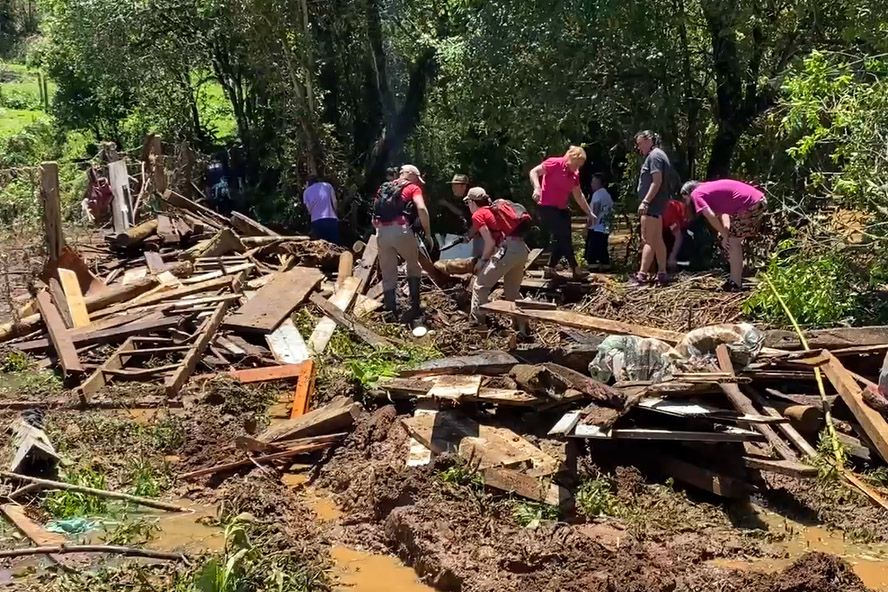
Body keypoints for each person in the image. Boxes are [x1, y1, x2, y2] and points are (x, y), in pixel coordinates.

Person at [680, 179, 767, 292]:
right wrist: (725, 232)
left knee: (733, 242)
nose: (686, 202)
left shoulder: (696, 194)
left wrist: (724, 234)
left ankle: (736, 284)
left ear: (689, 192)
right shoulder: (708, 189)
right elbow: (723, 212)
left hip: (750, 205)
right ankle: (733, 280)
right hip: (757, 201)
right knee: (731, 241)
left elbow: (710, 215)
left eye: (685, 198)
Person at [464, 187, 531, 332]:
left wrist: (482, 262)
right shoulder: (495, 211)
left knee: (480, 285)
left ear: (471, 202)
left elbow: (490, 243)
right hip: (521, 249)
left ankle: (477, 326)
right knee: (512, 291)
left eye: (468, 203)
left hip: (508, 250)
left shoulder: (478, 214)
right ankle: (522, 326)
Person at [373, 164, 432, 320]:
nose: (418, 183)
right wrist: (428, 233)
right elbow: (422, 209)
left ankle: (390, 311)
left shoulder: (383, 188)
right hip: (401, 229)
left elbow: (375, 214)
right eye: (417, 179)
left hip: (381, 232)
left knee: (388, 273)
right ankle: (415, 306)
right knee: (413, 266)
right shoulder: (412, 188)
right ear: (411, 175)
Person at [529, 146, 595, 280]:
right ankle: (575, 268)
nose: (577, 168)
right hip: (547, 207)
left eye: (580, 166)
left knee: (563, 238)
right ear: (570, 159)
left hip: (561, 208)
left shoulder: (574, 174)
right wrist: (537, 188)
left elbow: (578, 195)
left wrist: (589, 212)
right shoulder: (554, 163)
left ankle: (550, 268)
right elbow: (534, 172)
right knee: (562, 236)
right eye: (576, 164)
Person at [631, 130, 673, 286]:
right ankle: (662, 273)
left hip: (653, 204)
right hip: (658, 204)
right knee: (657, 239)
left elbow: (657, 181)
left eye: (640, 144)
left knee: (648, 240)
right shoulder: (659, 155)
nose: (639, 147)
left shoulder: (654, 156)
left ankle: (641, 275)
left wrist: (646, 201)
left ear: (649, 140)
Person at [584, 173, 613, 270]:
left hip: (596, 227)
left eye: (594, 182)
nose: (592, 184)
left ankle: (593, 269)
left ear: (600, 183)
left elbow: (595, 212)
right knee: (603, 250)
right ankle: (605, 267)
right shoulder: (607, 195)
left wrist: (588, 225)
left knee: (591, 253)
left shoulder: (597, 194)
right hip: (605, 227)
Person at [303, 175, 340, 244]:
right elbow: (334, 201)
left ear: (308, 183)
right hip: (331, 218)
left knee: (322, 246)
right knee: (335, 245)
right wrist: (336, 214)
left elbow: (309, 210)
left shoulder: (306, 192)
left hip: (317, 221)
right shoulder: (327, 186)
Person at [661, 198, 690, 272]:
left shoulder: (667, 213)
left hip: (685, 225)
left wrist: (672, 256)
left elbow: (678, 237)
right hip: (666, 228)